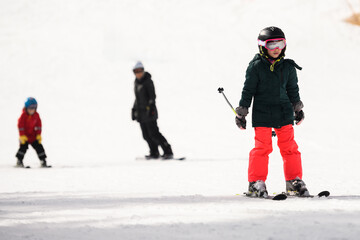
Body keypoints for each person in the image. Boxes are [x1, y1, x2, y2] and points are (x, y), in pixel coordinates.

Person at [236, 27, 307, 198]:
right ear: (262, 46)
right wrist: (242, 112)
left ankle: (294, 181)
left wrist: (297, 108)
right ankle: (255, 183)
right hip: (262, 113)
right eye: (271, 44)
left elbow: (292, 90)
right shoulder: (256, 67)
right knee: (262, 148)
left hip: (284, 112)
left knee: (290, 147)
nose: (276, 48)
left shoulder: (289, 67)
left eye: (280, 43)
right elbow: (248, 91)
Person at [131, 61, 173, 159]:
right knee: (146, 135)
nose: (138, 73)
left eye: (140, 71)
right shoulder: (136, 83)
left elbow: (152, 97)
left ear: (143, 70)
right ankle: (154, 152)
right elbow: (137, 98)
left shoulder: (148, 81)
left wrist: (151, 108)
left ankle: (168, 151)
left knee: (154, 133)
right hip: (141, 114)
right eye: (136, 71)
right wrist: (134, 109)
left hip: (149, 112)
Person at [15, 97, 50, 168]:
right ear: (26, 108)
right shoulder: (23, 116)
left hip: (33, 136)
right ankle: (19, 161)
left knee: (39, 147)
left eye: (34, 108)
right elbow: (20, 126)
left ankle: (43, 160)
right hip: (25, 137)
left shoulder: (36, 115)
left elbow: (39, 126)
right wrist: (22, 135)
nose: (32, 110)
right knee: (23, 148)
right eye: (30, 108)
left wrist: (38, 135)